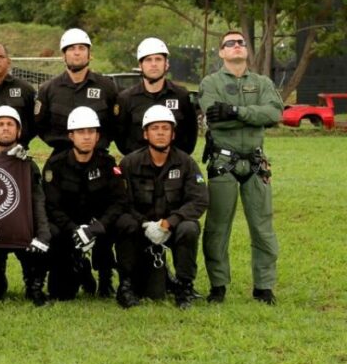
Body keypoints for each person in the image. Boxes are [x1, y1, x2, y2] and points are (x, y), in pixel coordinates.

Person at [198, 30, 283, 305]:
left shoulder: (262, 82)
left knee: (262, 227)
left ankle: (264, 287)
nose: (236, 46)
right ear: (221, 52)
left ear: (246, 50)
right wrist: (255, 116)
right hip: (223, 163)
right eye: (230, 43)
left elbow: (275, 113)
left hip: (256, 164)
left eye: (241, 43)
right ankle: (218, 286)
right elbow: (214, 118)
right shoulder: (210, 82)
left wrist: (235, 112)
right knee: (217, 227)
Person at [115, 105, 208, 309]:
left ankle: (184, 287)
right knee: (123, 223)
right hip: (141, 230)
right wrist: (144, 224)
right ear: (145, 134)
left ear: (173, 134)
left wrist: (170, 222)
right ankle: (126, 286)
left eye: (165, 128)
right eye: (154, 128)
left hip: (172, 229)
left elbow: (199, 199)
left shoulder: (186, 163)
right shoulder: (129, 163)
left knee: (189, 228)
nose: (160, 133)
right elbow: (121, 202)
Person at [0, 106, 50, 307]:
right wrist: (6, 159)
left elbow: (37, 200)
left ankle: (34, 284)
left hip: (21, 228)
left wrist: (43, 234)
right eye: (0, 124)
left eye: (10, 124)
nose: (5, 128)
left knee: (40, 247)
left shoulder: (27, 164)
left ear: (18, 131)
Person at [43, 106, 126, 301]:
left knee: (123, 224)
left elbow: (119, 201)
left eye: (91, 131)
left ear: (98, 136)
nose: (86, 136)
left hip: (100, 226)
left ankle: (106, 276)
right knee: (61, 294)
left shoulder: (108, 164)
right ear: (71, 136)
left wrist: (98, 227)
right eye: (80, 132)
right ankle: (79, 267)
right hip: (68, 228)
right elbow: (51, 205)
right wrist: (75, 229)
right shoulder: (55, 165)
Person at [35, 28, 118, 154]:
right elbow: (40, 126)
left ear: (89, 54)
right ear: (63, 55)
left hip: (98, 157)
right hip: (61, 157)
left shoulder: (107, 87)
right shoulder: (48, 89)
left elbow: (116, 124)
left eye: (82, 48)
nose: (77, 52)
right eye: (71, 48)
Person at [116, 37, 197, 156]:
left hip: (174, 163)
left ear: (166, 64)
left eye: (158, 59)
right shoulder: (126, 99)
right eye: (148, 60)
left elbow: (190, 135)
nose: (153, 64)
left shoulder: (182, 96)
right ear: (140, 65)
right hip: (138, 165)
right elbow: (121, 139)